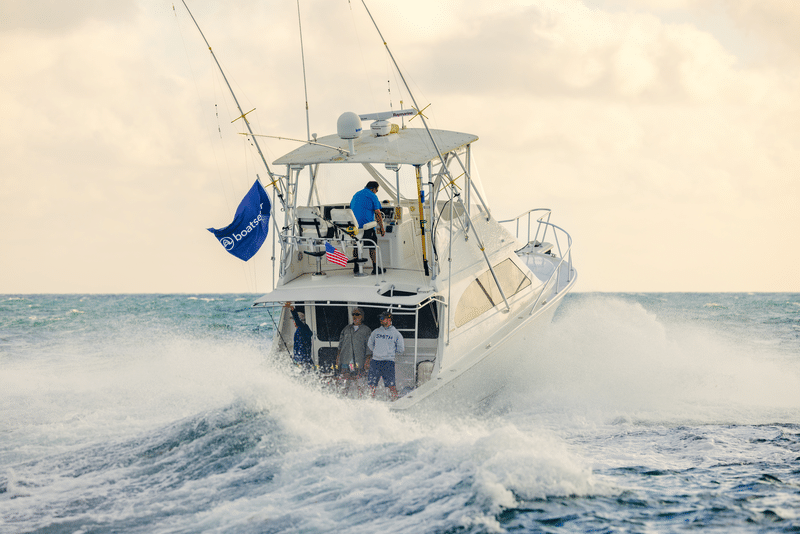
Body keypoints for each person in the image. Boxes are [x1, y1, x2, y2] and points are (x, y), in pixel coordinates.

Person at [349, 181, 386, 274]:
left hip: (355, 228)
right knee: (372, 246)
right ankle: (375, 268)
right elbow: (378, 213)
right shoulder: (373, 196)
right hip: (366, 227)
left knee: (356, 245)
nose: (376, 192)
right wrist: (382, 228)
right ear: (373, 189)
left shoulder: (356, 195)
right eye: (376, 190)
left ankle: (356, 267)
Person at [367, 310, 404, 400]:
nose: (380, 319)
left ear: (389, 319)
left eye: (382, 318)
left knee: (391, 385)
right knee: (371, 385)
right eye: (380, 318)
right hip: (375, 361)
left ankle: (395, 400)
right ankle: (369, 402)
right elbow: (370, 344)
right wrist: (377, 352)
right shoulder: (376, 332)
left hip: (388, 362)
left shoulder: (396, 333)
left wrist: (388, 353)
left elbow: (401, 349)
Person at [336, 308, 371, 397]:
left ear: (362, 317)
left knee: (360, 382)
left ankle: (361, 399)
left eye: (357, 314)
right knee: (344, 382)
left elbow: (369, 346)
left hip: (359, 361)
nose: (355, 316)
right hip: (345, 360)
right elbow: (340, 345)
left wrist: (368, 360)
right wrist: (338, 358)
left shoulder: (366, 330)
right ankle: (343, 399)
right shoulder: (346, 329)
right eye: (353, 314)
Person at [284, 301, 313, 371]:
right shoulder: (303, 328)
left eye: (293, 320)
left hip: (303, 360)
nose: (293, 322)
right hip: (301, 359)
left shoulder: (302, 328)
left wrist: (292, 308)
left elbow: (297, 320)